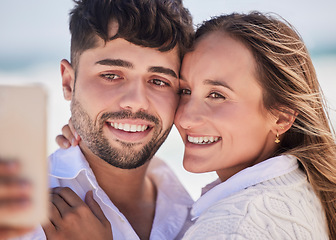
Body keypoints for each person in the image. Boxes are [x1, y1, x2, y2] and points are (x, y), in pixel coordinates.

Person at [59, 11, 336, 239]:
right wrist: (105, 136)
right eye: (186, 91)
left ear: (281, 117)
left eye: (217, 95)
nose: (186, 117)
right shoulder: (298, 187)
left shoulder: (234, 227)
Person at [0, 0, 195, 239]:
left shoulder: (198, 214)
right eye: (111, 75)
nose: (136, 101)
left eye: (158, 81)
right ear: (69, 82)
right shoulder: (16, 213)